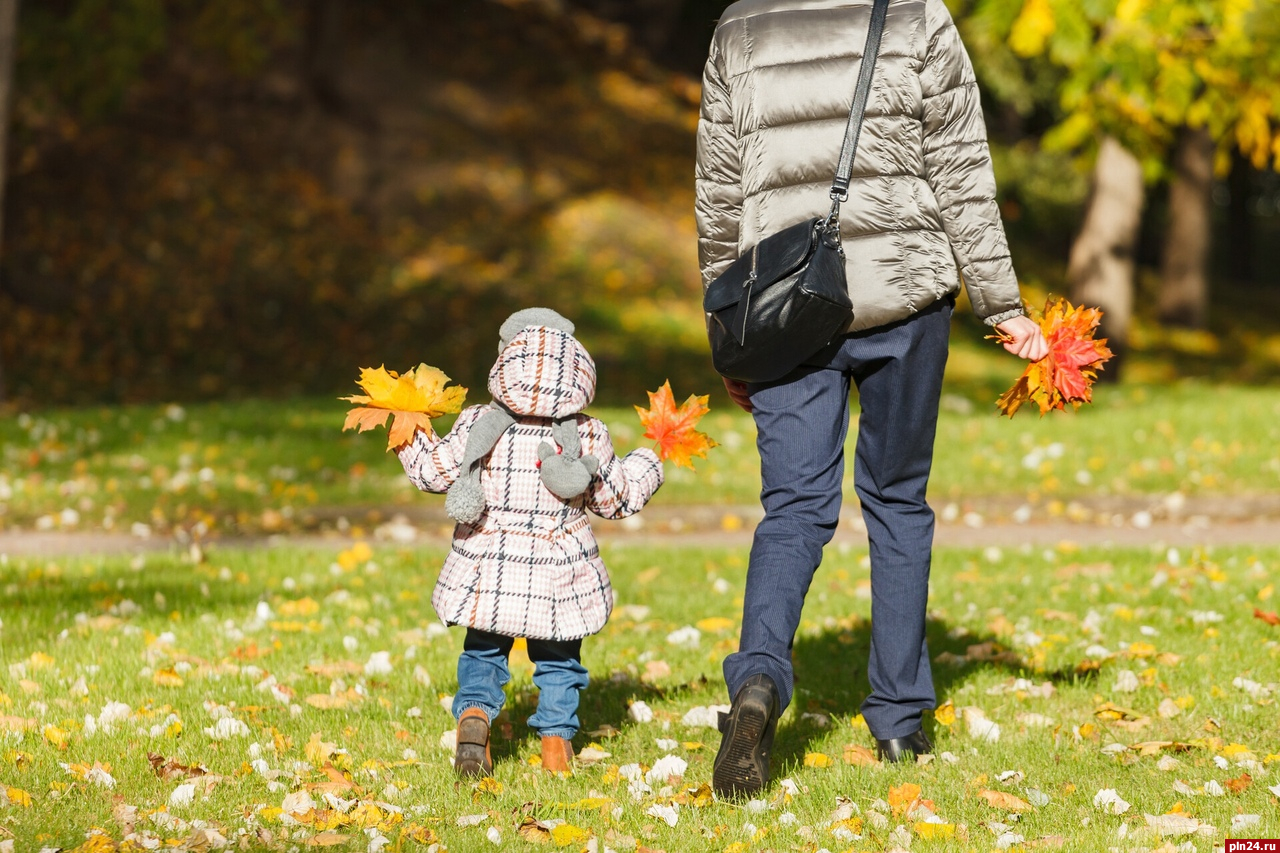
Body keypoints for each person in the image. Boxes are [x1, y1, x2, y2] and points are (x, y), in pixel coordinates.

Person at [695, 0, 1049, 797]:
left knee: (793, 508)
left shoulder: (740, 25)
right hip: (906, 301)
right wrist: (1003, 302)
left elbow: (719, 192)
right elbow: (959, 165)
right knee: (896, 501)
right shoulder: (918, 16)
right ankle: (896, 720)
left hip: (784, 308)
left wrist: (730, 327)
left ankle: (757, 681)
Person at [395, 308, 664, 777]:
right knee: (560, 660)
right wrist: (648, 463)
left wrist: (407, 432)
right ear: (578, 370)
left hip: (489, 569)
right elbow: (616, 500)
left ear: (506, 363)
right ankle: (556, 746)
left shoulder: (480, 421)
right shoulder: (586, 435)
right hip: (560, 578)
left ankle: (475, 717)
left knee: (483, 650)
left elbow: (433, 471)